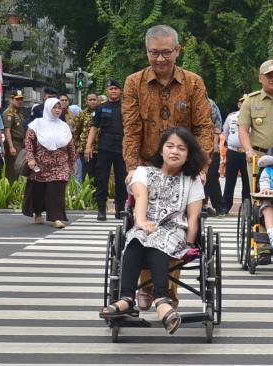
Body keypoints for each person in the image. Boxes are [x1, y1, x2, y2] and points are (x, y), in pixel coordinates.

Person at [122, 24, 215, 310]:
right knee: (146, 219)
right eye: (154, 53)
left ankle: (162, 291)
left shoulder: (193, 83)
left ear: (177, 50)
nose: (160, 59)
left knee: (177, 221)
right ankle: (149, 287)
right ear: (147, 52)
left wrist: (201, 168)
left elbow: (203, 128)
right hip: (148, 166)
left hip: (184, 166)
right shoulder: (133, 83)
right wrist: (133, 169)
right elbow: (131, 130)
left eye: (166, 53)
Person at [99, 126, 207, 335]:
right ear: (161, 150)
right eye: (170, 146)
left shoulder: (192, 180)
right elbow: (140, 197)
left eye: (181, 148)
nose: (174, 151)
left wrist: (191, 244)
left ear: (188, 155)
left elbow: (193, 216)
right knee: (136, 237)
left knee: (157, 238)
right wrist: (141, 221)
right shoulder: (144, 172)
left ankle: (160, 298)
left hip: (175, 232)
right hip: (144, 225)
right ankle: (127, 298)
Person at [22, 98, 76, 229]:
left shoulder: (63, 126)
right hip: (40, 163)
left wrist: (72, 162)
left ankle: (56, 218)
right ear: (48, 108)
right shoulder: (37, 124)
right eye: (54, 107)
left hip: (60, 164)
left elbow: (70, 145)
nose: (57, 110)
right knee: (38, 190)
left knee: (57, 190)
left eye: (59, 108)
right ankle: (38, 213)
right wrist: (30, 158)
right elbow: (28, 142)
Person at [87, 80, 126, 221]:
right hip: (105, 147)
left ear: (120, 91)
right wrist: (88, 146)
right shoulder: (100, 108)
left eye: (116, 88)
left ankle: (120, 209)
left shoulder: (126, 107)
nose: (114, 91)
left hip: (122, 147)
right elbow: (94, 128)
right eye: (111, 89)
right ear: (107, 91)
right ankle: (101, 210)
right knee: (102, 178)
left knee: (121, 179)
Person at [221, 95, 251, 214]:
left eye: (246, 102)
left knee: (247, 181)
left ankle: (247, 206)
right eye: (242, 102)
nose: (244, 104)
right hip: (233, 151)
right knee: (230, 180)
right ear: (239, 104)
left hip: (247, 152)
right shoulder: (231, 117)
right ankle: (225, 206)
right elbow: (226, 132)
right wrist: (233, 144)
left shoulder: (253, 117)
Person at [203, 98, 224, 216]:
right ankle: (202, 206)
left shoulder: (210, 104)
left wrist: (215, 144)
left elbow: (217, 125)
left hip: (209, 145)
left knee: (211, 178)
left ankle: (219, 207)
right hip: (189, 145)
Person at [74, 93, 100, 183]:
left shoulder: (102, 113)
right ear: (86, 101)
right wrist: (76, 147)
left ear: (98, 101)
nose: (92, 101)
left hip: (99, 150)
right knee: (85, 174)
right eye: (90, 100)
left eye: (94, 99)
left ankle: (96, 196)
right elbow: (76, 132)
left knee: (98, 175)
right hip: (85, 151)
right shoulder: (82, 114)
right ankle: (86, 196)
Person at [3, 90, 26, 183]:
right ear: (11, 100)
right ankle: (11, 191)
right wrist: (11, 147)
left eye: (21, 99)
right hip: (13, 143)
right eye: (17, 99)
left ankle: (16, 190)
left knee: (19, 167)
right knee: (12, 169)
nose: (20, 101)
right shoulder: (8, 113)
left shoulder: (18, 113)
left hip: (20, 143)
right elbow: (7, 130)